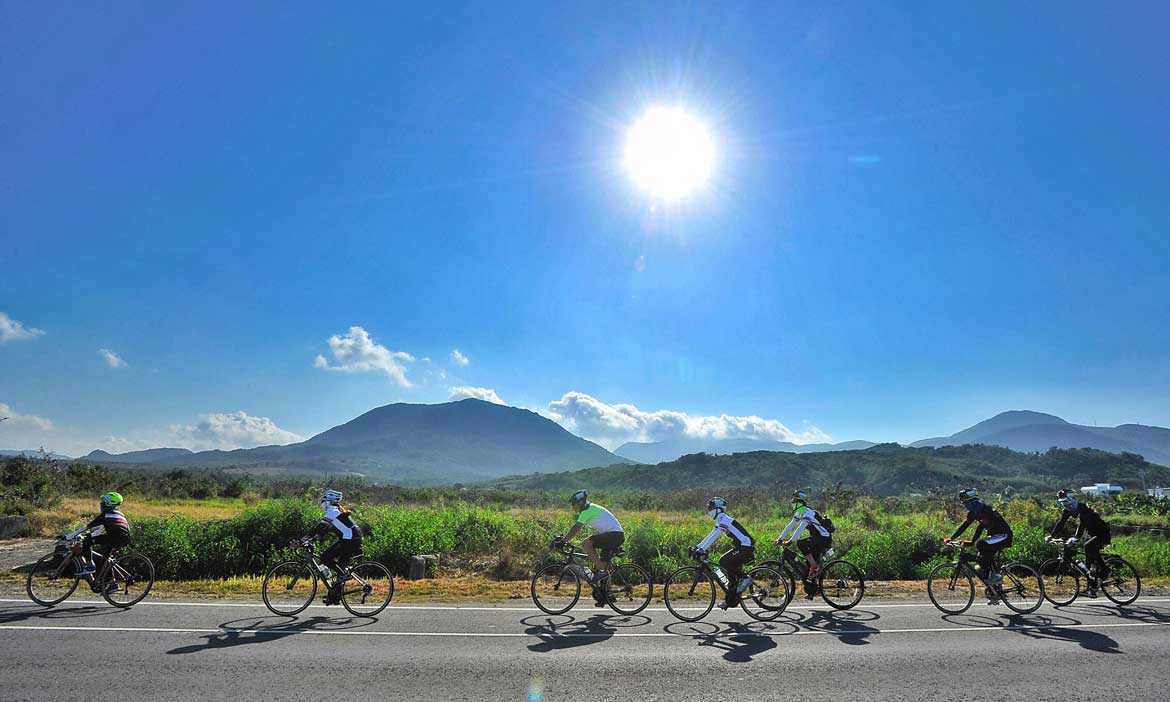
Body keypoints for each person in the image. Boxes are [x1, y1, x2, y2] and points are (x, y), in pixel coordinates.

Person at [557, 490, 624, 606]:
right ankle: (607, 596)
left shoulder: (587, 510)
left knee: (586, 544)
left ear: (580, 503)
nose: (572, 506)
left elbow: (576, 528)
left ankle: (601, 572)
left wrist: (563, 541)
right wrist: (564, 540)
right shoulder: (589, 509)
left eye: (573, 504)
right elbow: (576, 529)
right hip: (614, 535)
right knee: (601, 565)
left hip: (614, 535)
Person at [945, 488, 1013, 600]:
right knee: (981, 559)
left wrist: (972, 541)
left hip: (1004, 536)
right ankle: (994, 591)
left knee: (981, 545)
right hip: (995, 536)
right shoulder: (975, 511)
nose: (964, 505)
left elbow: (980, 527)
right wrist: (951, 538)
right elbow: (965, 525)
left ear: (970, 502)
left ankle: (996, 577)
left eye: (965, 503)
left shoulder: (984, 509)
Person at [692, 497, 755, 610]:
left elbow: (716, 536)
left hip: (745, 546)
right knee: (731, 575)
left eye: (711, 508)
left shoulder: (725, 519)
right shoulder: (721, 520)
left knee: (724, 561)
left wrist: (702, 549)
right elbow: (712, 534)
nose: (709, 511)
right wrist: (698, 546)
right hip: (741, 546)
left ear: (718, 509)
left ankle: (746, 578)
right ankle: (731, 600)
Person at [302, 490, 363, 606]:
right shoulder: (336, 511)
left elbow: (319, 527)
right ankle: (334, 597)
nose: (321, 503)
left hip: (350, 539)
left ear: (328, 502)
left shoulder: (333, 511)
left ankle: (344, 575)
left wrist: (302, 540)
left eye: (322, 501)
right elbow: (323, 531)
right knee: (340, 567)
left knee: (325, 558)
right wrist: (311, 539)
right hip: (353, 538)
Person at [1047, 489, 1112, 597]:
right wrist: (1051, 536)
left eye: (1066, 501)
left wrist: (1076, 538)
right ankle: (1092, 589)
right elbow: (1061, 523)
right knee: (1088, 562)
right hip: (1091, 534)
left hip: (1102, 533)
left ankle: (1106, 570)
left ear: (1072, 499)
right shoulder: (1067, 510)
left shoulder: (1083, 509)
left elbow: (1082, 525)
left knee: (1088, 547)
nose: (1065, 505)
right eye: (1062, 502)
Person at [65, 492, 131, 591]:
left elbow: (87, 527)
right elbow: (101, 530)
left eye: (102, 502)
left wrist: (69, 536)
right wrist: (91, 536)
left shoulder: (105, 515)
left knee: (87, 541)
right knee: (105, 559)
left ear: (107, 504)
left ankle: (89, 566)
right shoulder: (118, 515)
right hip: (124, 538)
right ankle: (113, 584)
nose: (101, 504)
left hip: (114, 538)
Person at [774, 489, 833, 599]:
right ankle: (814, 590)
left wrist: (790, 541)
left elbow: (800, 528)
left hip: (824, 538)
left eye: (794, 501)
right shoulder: (800, 513)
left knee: (801, 543)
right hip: (816, 539)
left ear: (800, 503)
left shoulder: (808, 513)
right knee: (807, 565)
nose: (792, 503)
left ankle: (815, 566)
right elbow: (789, 526)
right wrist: (779, 539)